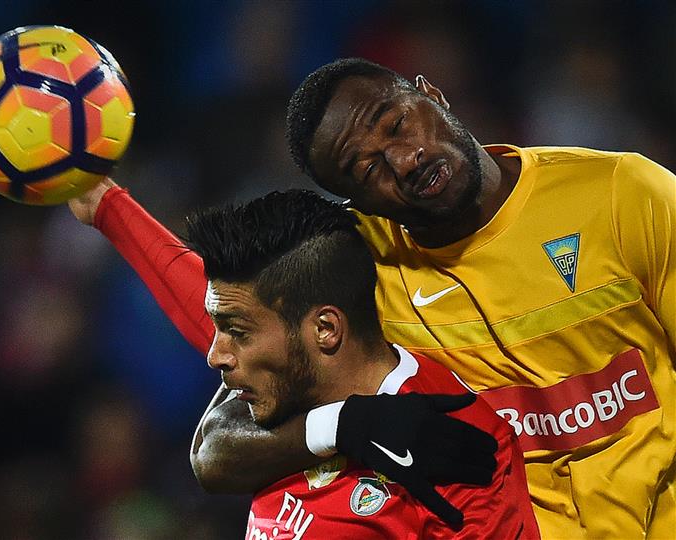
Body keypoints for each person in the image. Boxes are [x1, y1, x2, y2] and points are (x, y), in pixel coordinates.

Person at [69, 57, 675, 538]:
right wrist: (108, 207)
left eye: (397, 123)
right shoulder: (367, 267)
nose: (406, 159)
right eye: (366, 169)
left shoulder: (623, 194)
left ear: (430, 94)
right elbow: (229, 348)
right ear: (355, 201)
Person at [184, 189, 538, 538]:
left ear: (325, 329)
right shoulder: (284, 387)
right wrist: (342, 424)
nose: (216, 355)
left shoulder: (457, 447)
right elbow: (210, 450)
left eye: (238, 332)